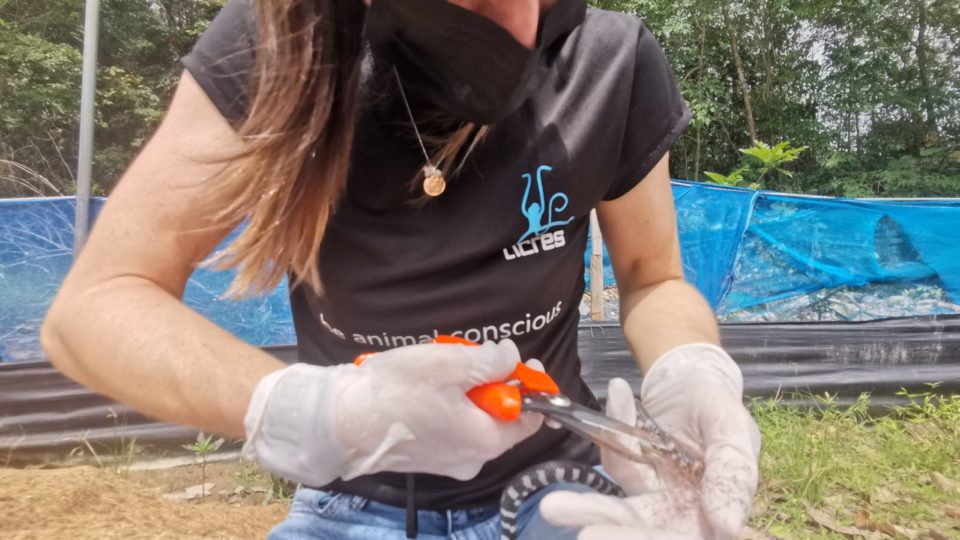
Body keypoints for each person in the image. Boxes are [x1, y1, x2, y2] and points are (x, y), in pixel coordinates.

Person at [41, 0, 761, 538]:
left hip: (558, 485)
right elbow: (96, 306)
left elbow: (652, 275)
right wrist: (320, 415)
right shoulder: (282, 40)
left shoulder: (611, 59)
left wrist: (692, 370)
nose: (520, 24)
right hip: (350, 504)